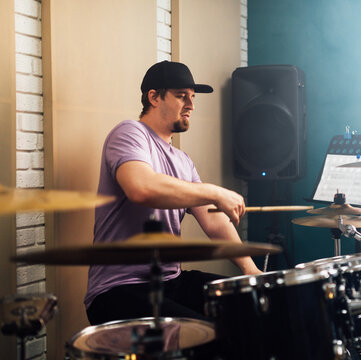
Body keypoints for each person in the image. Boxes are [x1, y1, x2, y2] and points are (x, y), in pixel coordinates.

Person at [84, 60, 261, 325]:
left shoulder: (182, 160)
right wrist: (214, 192)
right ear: (153, 97)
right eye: (181, 96)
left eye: (192, 97)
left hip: (170, 281)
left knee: (253, 303)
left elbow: (213, 221)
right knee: (210, 336)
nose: (191, 105)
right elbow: (141, 188)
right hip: (119, 289)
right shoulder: (130, 134)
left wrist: (250, 269)